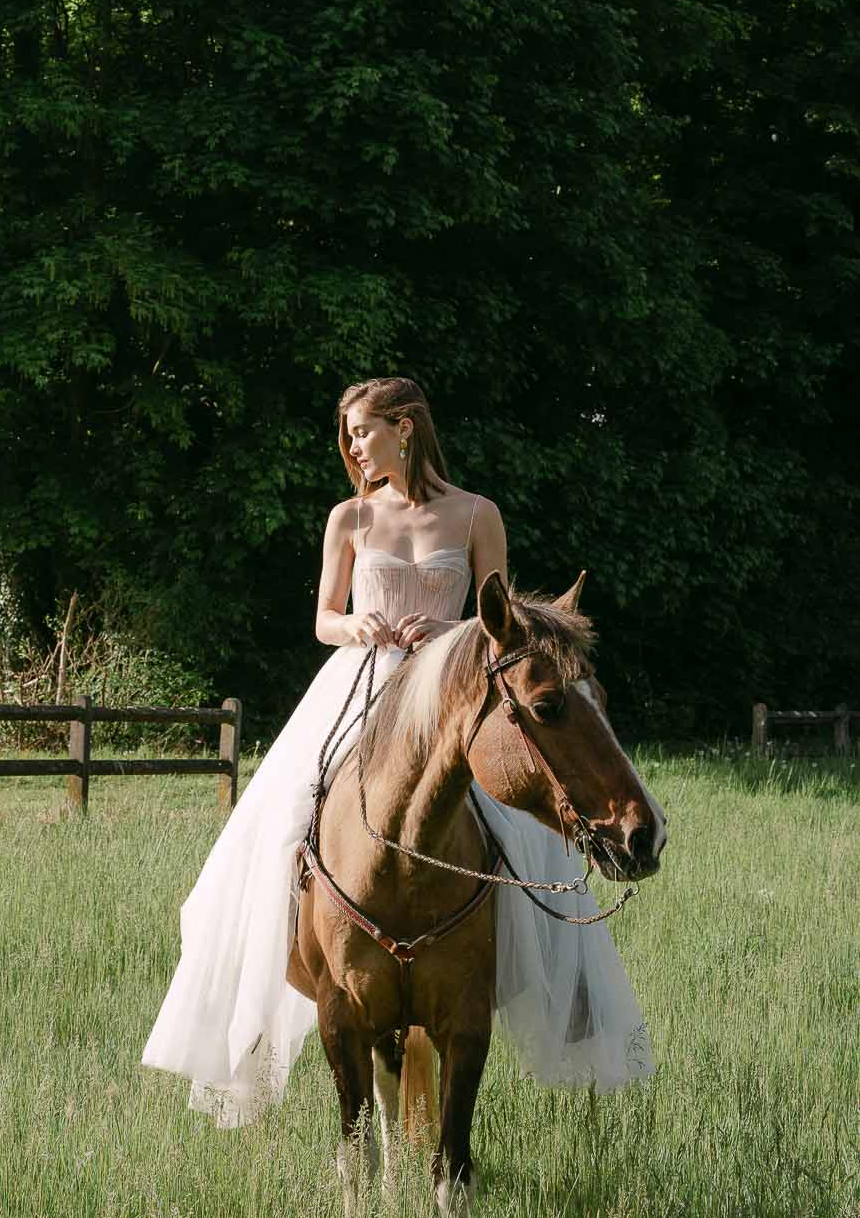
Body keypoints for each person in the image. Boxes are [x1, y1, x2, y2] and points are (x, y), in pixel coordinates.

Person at [141, 374, 652, 1127]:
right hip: (361, 681)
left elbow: (498, 624)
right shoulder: (348, 516)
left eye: (362, 430)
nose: (351, 445)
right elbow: (323, 616)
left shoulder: (476, 514)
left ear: (405, 428)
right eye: (347, 434)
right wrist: (361, 628)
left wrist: (445, 641)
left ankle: (538, 981)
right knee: (288, 817)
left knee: (513, 823)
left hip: (445, 693)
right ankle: (297, 955)